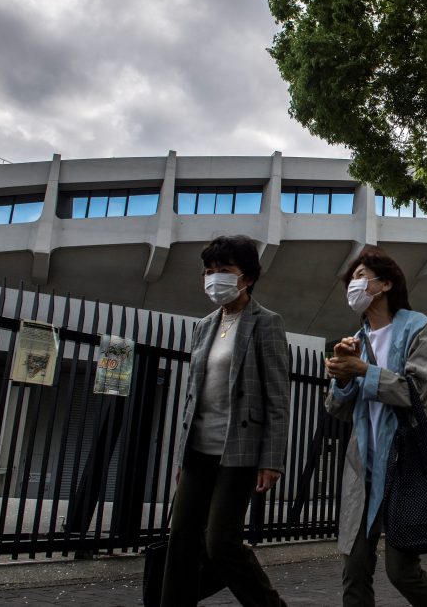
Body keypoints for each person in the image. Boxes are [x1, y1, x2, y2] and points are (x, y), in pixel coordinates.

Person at [161, 235, 291, 607]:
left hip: (239, 452)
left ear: (247, 277)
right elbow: (192, 397)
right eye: (209, 271)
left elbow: (278, 398)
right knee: (181, 538)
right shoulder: (204, 325)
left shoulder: (267, 323)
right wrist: (181, 460)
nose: (215, 278)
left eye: (225, 271)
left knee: (221, 542)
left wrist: (271, 459)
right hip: (198, 450)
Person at [324, 246, 427, 607]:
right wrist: (342, 375)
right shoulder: (356, 340)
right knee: (354, 571)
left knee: (402, 571)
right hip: (363, 467)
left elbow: (417, 391)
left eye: (361, 277)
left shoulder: (418, 328)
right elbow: (336, 407)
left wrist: (363, 371)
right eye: (351, 279)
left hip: (405, 467)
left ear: (385, 284)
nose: (354, 284)